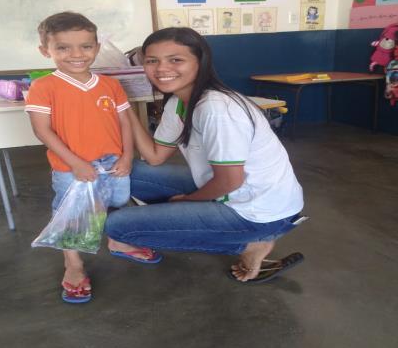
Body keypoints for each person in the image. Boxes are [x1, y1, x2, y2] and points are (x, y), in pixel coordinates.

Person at [105, 27, 305, 284]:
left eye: (176, 60)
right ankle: (218, 225)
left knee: (118, 226)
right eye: (152, 61)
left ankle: (249, 245)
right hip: (235, 192)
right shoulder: (177, 102)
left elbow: (230, 181)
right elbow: (154, 157)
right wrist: (124, 106)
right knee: (128, 173)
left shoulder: (217, 109)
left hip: (258, 212)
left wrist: (185, 201)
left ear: (201, 62)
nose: (161, 68)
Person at [25, 12, 133, 303]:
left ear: (97, 48)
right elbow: (42, 131)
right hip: (71, 169)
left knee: (118, 204)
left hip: (114, 163)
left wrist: (128, 157)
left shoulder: (110, 85)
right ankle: (73, 265)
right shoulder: (43, 86)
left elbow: (125, 123)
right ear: (45, 51)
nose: (76, 54)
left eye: (86, 46)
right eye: (63, 48)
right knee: (72, 216)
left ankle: (119, 241)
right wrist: (76, 163)